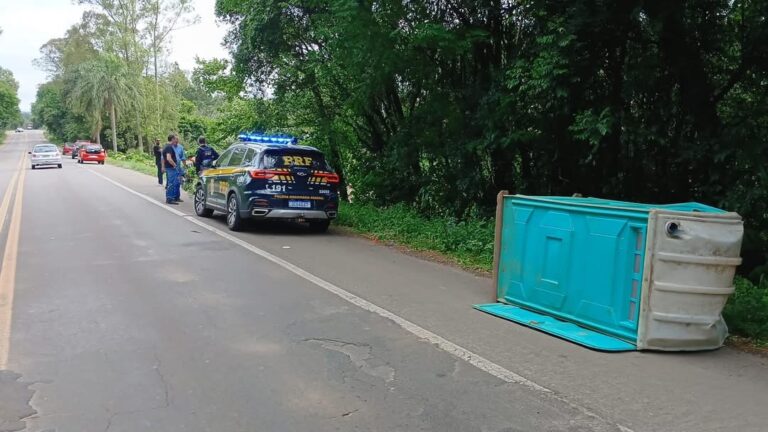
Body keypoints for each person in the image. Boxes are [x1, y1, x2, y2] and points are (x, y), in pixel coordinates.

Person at [163, 134, 182, 205]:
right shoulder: (169, 147)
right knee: (171, 183)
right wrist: (175, 165)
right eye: (175, 139)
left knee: (172, 182)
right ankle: (170, 198)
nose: (176, 140)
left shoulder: (166, 146)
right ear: (172, 139)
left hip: (169, 167)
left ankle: (170, 197)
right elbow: (168, 158)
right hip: (171, 168)